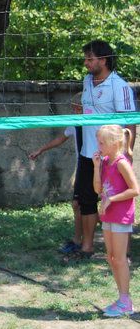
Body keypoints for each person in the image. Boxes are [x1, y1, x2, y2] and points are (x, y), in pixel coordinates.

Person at [76, 40, 137, 259]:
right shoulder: (87, 81)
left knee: (116, 199)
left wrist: (127, 152)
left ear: (103, 60)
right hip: (89, 154)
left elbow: (130, 123)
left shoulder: (120, 87)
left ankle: (124, 253)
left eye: (90, 58)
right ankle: (87, 248)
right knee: (86, 200)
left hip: (111, 156)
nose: (86, 63)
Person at [28, 93, 84, 254]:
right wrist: (40, 150)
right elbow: (61, 138)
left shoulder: (95, 123)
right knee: (78, 204)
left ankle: (87, 241)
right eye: (73, 108)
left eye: (77, 108)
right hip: (83, 166)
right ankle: (78, 240)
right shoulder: (75, 124)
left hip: (96, 166)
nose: (74, 111)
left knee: (87, 205)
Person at [93, 124, 138, 318]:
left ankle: (126, 301)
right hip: (108, 215)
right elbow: (97, 189)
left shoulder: (121, 162)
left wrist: (112, 199)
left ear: (113, 143)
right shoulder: (104, 161)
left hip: (120, 215)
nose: (99, 146)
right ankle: (122, 299)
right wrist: (96, 167)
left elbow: (135, 190)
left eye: (102, 143)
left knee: (119, 258)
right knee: (110, 257)